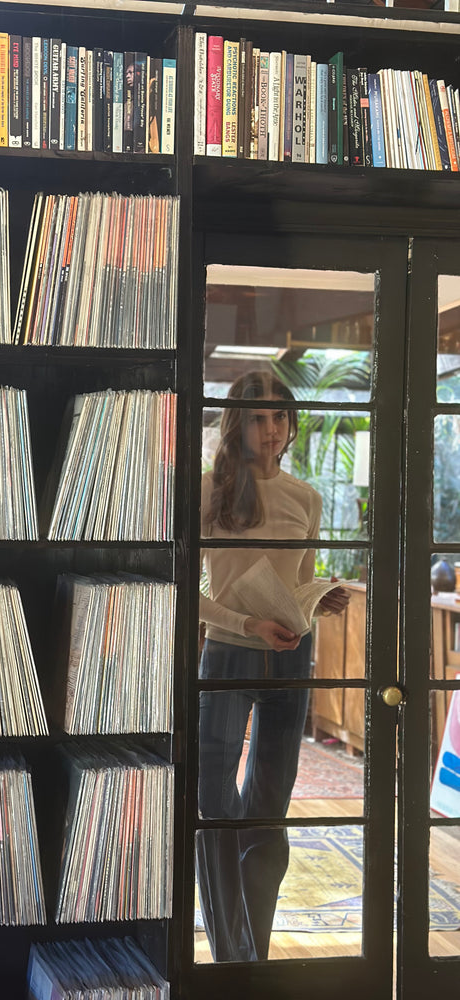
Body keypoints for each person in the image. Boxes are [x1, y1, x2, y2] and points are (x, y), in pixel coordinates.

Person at [196, 369, 349, 963]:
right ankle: (228, 948)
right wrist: (245, 625)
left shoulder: (306, 498)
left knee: (270, 807)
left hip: (290, 654)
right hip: (229, 650)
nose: (271, 429)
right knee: (214, 800)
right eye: (259, 417)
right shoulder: (211, 491)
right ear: (238, 423)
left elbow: (301, 585)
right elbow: (186, 591)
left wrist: (321, 602)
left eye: (280, 417)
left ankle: (253, 953)